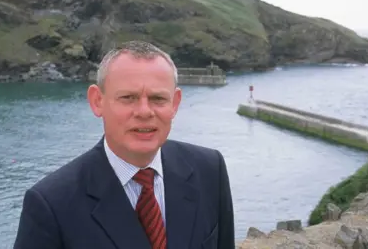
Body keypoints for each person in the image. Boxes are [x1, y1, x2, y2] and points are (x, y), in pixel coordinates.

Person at [13, 40, 235, 249]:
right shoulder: (51, 204)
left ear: (175, 103)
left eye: (158, 99)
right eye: (128, 98)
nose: (144, 112)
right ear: (97, 101)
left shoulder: (209, 169)